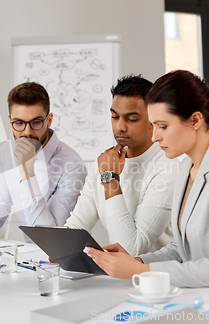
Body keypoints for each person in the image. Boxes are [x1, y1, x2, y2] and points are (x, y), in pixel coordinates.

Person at [83, 70, 209, 289]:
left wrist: (141, 271)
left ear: (195, 120)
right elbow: (181, 250)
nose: (154, 136)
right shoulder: (185, 168)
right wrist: (135, 262)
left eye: (163, 126)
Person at [63, 74, 178, 256]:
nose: (120, 127)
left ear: (153, 120)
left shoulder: (168, 168)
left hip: (157, 278)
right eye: (114, 117)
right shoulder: (104, 162)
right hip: (119, 277)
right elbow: (78, 225)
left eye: (131, 119)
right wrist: (59, 248)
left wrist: (110, 180)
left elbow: (129, 250)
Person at [0, 82, 86, 242]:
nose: (27, 132)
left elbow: (52, 234)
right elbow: (1, 201)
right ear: (10, 121)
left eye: (36, 122)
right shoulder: (7, 151)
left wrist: (27, 172)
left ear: (49, 120)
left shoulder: (72, 165)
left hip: (59, 258)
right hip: (27, 257)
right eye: (19, 123)